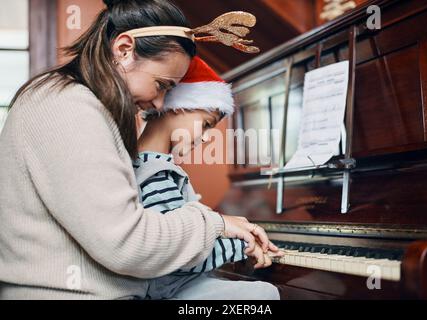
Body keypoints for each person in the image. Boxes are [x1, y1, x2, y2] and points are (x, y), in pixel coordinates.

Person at [0, 0, 281, 299]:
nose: (160, 104)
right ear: (124, 50)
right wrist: (216, 224)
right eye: (162, 85)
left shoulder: (76, 102)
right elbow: (127, 244)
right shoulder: (68, 106)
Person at [134, 56, 281, 299]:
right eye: (205, 124)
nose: (204, 138)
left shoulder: (151, 164)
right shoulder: (154, 173)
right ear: (180, 106)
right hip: (169, 292)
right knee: (265, 295)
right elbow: (177, 256)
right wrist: (242, 247)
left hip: (176, 286)